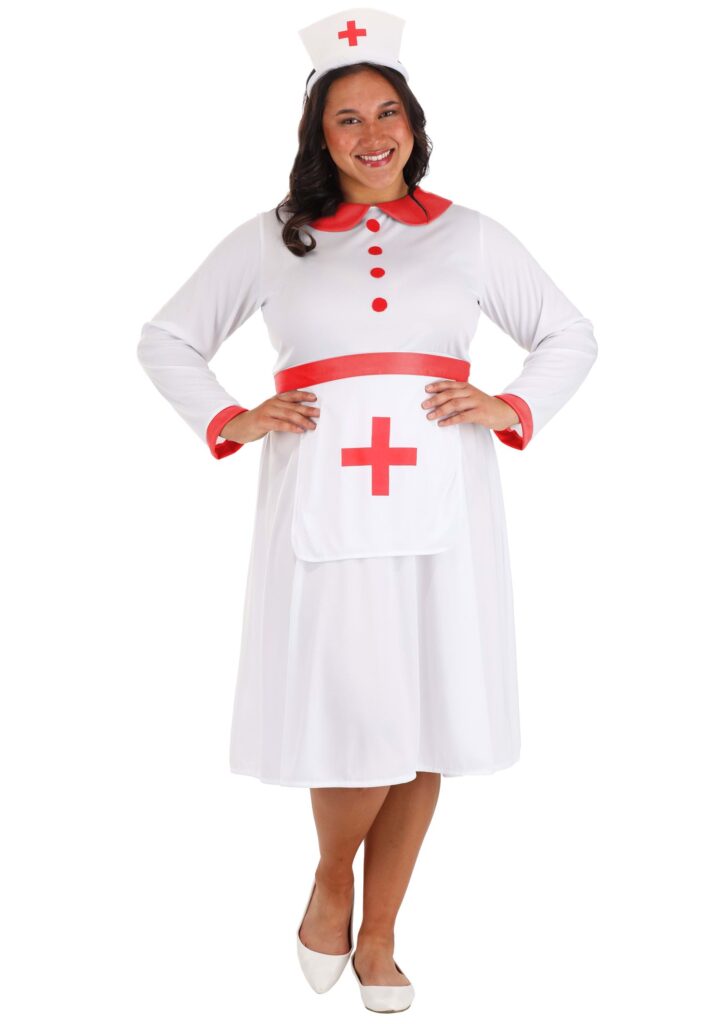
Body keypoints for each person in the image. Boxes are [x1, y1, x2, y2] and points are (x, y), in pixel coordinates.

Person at [136, 7, 598, 1012]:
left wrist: (511, 404)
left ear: (414, 124)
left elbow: (568, 335)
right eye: (347, 118)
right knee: (357, 711)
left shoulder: (471, 235)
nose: (372, 133)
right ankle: (329, 878)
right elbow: (167, 339)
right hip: (322, 507)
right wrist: (231, 417)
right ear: (319, 135)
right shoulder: (273, 239)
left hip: (445, 503)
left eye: (387, 113)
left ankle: (381, 930)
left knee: (426, 713)